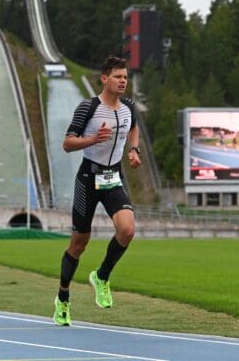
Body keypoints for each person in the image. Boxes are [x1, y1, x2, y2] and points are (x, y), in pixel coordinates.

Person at [53, 56, 142, 326]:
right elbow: (67, 144)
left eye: (125, 77)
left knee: (127, 229)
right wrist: (93, 139)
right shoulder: (88, 107)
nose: (123, 81)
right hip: (88, 178)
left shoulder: (128, 107)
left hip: (112, 176)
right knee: (79, 243)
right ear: (104, 79)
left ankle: (101, 277)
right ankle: (63, 299)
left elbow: (134, 127)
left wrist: (134, 149)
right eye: (118, 76)